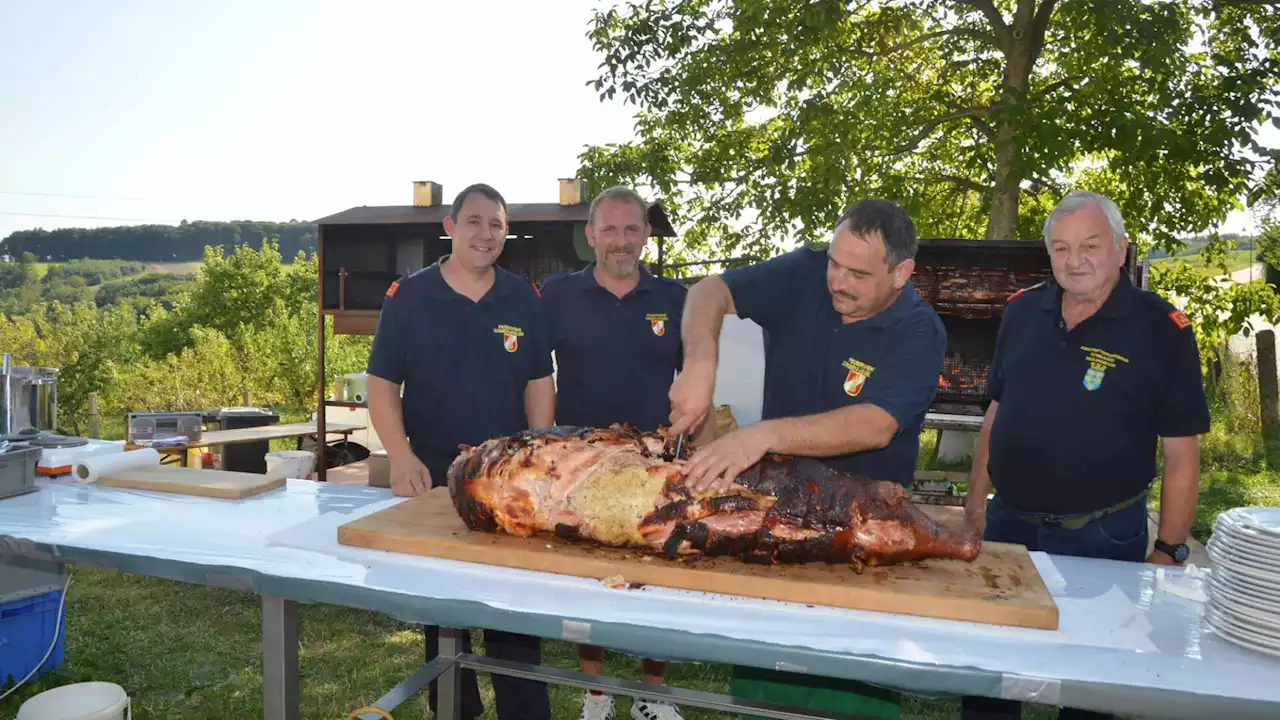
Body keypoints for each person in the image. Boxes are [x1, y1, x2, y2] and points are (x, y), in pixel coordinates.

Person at [667, 198, 948, 719]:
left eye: (858, 273)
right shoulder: (802, 274)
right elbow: (710, 290)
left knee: (851, 692)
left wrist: (763, 436)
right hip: (773, 524)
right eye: (835, 263)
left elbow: (877, 424)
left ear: (901, 273)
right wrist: (701, 362)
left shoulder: (919, 330)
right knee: (767, 693)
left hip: (863, 541)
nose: (838, 281)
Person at [960, 190, 1210, 720]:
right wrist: (975, 504)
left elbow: (1182, 453)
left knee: (1091, 686)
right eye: (1061, 248)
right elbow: (996, 413)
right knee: (991, 674)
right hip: (1009, 528)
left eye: (1091, 245)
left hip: (1102, 535)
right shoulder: (1022, 311)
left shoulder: (1162, 329)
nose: (1075, 260)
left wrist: (1169, 549)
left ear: (1120, 249)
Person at [364, 182, 555, 720]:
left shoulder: (523, 297)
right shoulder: (410, 296)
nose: (485, 234)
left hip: (509, 486)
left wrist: (538, 455)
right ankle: (454, 712)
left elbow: (540, 381)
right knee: (442, 616)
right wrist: (400, 456)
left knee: (513, 615)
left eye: (496, 225)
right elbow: (382, 385)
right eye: (474, 221)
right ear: (449, 227)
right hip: (434, 482)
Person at [540, 186, 715, 720]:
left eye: (631, 229)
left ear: (645, 235)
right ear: (590, 235)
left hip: (653, 465)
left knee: (658, 578)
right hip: (581, 466)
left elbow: (698, 379)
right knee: (588, 582)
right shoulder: (557, 294)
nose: (621, 241)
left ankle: (652, 695)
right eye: (610, 230)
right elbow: (531, 373)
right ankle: (596, 694)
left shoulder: (676, 299)